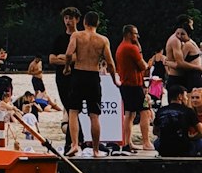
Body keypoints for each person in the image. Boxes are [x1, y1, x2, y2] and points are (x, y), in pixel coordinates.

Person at [64, 11, 117, 158]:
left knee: (73, 112)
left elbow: (69, 53)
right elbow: (110, 63)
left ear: (84, 23)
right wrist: (114, 80)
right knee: (94, 116)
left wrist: (67, 67)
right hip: (93, 76)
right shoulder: (103, 40)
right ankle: (95, 150)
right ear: (97, 23)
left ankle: (74, 144)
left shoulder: (77, 35)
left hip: (78, 74)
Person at [115, 23, 161, 153]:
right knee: (144, 112)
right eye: (135, 34)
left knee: (129, 114)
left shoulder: (120, 47)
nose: (137, 37)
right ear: (129, 34)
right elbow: (143, 66)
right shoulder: (131, 48)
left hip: (126, 85)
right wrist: (146, 61)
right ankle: (146, 142)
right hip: (134, 85)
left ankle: (127, 142)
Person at [154, 86, 202, 157]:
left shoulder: (161, 111)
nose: (187, 98)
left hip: (164, 150)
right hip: (184, 150)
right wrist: (192, 137)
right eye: (186, 96)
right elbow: (201, 131)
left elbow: (155, 131)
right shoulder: (188, 111)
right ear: (180, 97)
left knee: (156, 141)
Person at [49, 6, 81, 115]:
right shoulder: (59, 38)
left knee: (75, 108)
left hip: (76, 75)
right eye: (66, 18)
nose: (68, 21)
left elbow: (78, 57)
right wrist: (67, 59)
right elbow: (52, 59)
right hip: (61, 77)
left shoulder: (80, 37)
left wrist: (62, 57)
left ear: (77, 20)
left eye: (70, 18)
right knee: (67, 106)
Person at [164, 14, 202, 99]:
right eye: (191, 24)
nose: (192, 27)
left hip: (184, 77)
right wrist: (198, 67)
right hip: (176, 78)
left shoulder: (185, 41)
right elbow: (180, 63)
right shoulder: (175, 40)